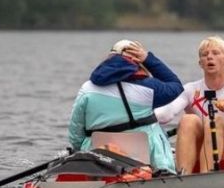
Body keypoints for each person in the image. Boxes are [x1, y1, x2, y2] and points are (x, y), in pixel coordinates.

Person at [67, 39, 184, 173]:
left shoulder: (87, 89)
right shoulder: (149, 88)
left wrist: (80, 151)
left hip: (97, 161)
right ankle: (162, 169)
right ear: (136, 62)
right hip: (146, 159)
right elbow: (175, 85)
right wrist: (148, 59)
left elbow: (75, 134)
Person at [154, 36, 224, 174]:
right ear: (200, 63)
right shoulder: (189, 89)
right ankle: (183, 175)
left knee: (215, 120)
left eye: (215, 53)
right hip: (198, 156)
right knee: (188, 120)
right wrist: (140, 116)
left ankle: (206, 175)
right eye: (204, 55)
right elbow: (166, 114)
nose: (209, 57)